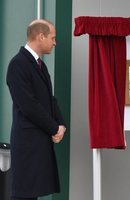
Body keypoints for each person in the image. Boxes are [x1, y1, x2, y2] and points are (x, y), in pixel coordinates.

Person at [6, 19, 67, 200]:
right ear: (41, 36)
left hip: (38, 142)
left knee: (32, 194)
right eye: (53, 38)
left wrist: (61, 124)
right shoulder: (18, 64)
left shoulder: (40, 64)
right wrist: (54, 128)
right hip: (27, 144)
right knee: (24, 195)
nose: (55, 42)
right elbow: (28, 105)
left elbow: (50, 99)